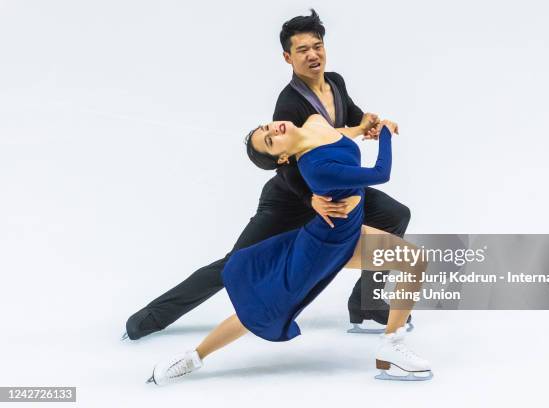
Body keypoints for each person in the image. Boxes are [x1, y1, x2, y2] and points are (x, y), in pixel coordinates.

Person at [124, 9, 412, 341]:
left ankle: (368, 306)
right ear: (288, 57)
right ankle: (149, 318)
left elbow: (352, 119)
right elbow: (284, 164)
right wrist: (310, 199)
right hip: (290, 199)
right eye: (302, 50)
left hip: (332, 190)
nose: (312, 54)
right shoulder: (289, 103)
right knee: (236, 263)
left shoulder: (335, 82)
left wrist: (375, 125)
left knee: (395, 215)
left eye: (317, 46)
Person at [147, 115, 432, 385]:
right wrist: (384, 133)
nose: (273, 131)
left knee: (414, 260)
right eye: (270, 141)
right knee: (264, 309)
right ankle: (193, 358)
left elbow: (340, 136)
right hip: (325, 246)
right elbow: (380, 174)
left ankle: (391, 346)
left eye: (266, 129)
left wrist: (362, 129)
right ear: (283, 158)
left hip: (350, 233)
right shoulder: (314, 166)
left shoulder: (314, 122)